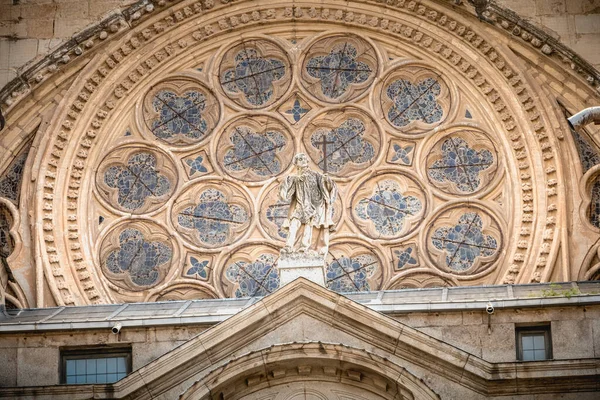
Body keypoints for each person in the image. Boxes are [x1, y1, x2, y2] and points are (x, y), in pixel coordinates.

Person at [279, 153, 337, 255]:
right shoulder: (294, 178)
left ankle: (304, 247)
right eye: (300, 159)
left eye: (305, 159)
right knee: (293, 224)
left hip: (313, 207)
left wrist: (328, 182)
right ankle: (289, 246)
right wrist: (292, 181)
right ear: (296, 163)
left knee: (308, 227)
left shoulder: (316, 175)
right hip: (300, 207)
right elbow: (286, 194)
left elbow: (327, 189)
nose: (304, 160)